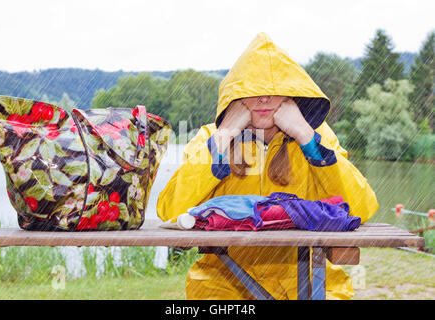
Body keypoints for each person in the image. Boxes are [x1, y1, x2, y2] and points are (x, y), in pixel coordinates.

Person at [157, 33, 378, 300]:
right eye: (253, 91)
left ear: (291, 95)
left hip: (308, 277)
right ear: (236, 97)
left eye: (274, 89)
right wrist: (224, 137)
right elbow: (171, 212)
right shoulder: (210, 138)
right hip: (223, 282)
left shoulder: (316, 137)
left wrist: (306, 138)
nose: (264, 99)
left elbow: (360, 210)